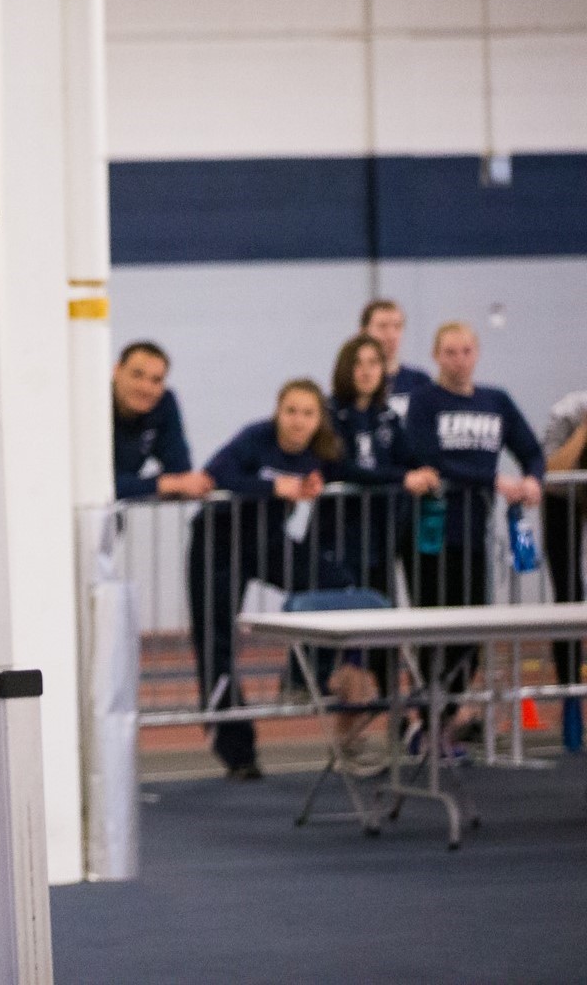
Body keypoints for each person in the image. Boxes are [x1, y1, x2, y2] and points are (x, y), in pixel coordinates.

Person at [188, 379, 343, 779]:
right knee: (217, 640)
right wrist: (273, 487)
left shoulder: (321, 451)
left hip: (267, 542)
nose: (298, 421)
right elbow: (216, 474)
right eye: (290, 411)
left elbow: (356, 472)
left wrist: (314, 484)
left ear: (319, 419)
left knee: (334, 583)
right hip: (219, 542)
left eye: (307, 413)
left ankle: (302, 676)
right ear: (278, 412)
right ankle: (238, 753)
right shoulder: (255, 437)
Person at [403, 322, 545, 751]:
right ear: (436, 355)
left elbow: (531, 449)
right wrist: (491, 480)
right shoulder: (425, 401)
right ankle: (426, 723)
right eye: (450, 352)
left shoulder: (495, 400)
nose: (459, 360)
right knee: (434, 634)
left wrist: (533, 479)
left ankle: (444, 719)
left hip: (474, 537)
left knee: (471, 635)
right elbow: (428, 458)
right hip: (431, 535)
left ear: (477, 353)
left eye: (466, 351)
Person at [313, 334, 439, 772]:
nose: (367, 370)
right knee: (351, 639)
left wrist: (422, 472)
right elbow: (340, 468)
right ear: (345, 368)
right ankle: (345, 740)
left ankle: (387, 727)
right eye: (359, 363)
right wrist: (398, 479)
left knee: (380, 634)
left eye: (374, 363)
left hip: (379, 541)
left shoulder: (386, 416)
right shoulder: (331, 415)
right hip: (340, 539)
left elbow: (409, 459)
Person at [542, 390, 587, 751]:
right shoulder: (566, 413)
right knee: (569, 593)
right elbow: (552, 473)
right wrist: (584, 431)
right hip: (562, 497)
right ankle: (570, 699)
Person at [111, 341, 213, 500]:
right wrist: (164, 484)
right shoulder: (93, 406)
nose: (145, 388)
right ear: (117, 370)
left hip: (113, 511)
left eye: (156, 380)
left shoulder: (163, 403)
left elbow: (180, 471)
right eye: (137, 375)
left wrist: (167, 483)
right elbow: (95, 483)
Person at [359, 299, 435, 420]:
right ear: (364, 331)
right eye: (382, 326)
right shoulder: (358, 382)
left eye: (397, 326)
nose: (391, 335)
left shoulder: (421, 382)